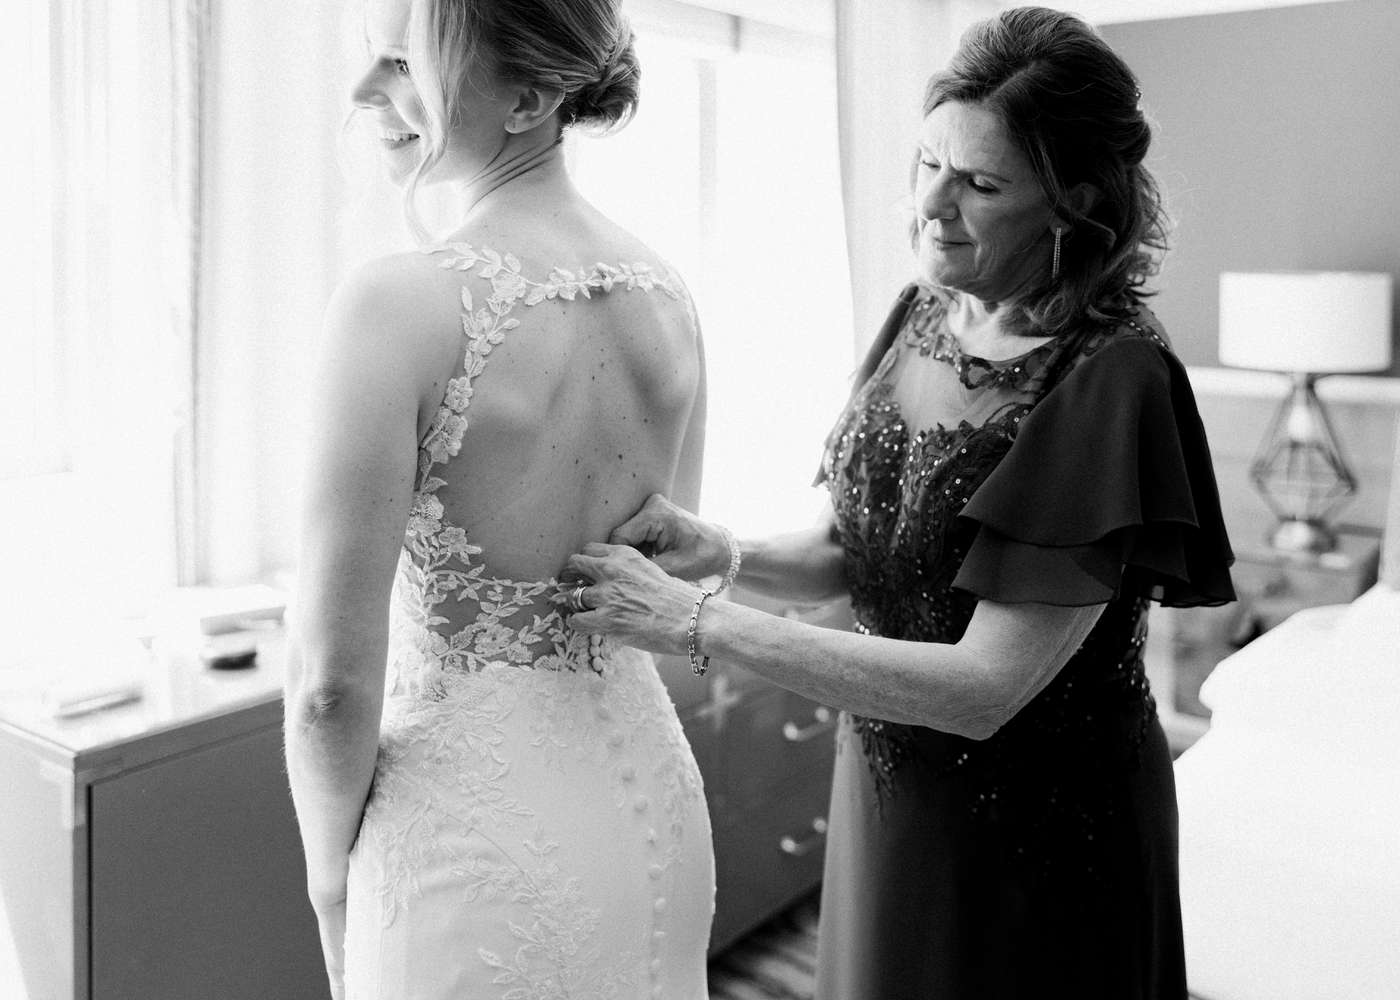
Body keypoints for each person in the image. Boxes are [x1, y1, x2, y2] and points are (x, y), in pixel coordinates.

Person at [559, 8, 1235, 998]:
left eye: (981, 184)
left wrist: (696, 624)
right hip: (890, 794)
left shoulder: (1111, 379)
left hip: (1039, 836)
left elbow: (984, 685)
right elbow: (863, 549)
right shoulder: (924, 311)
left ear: (1074, 205)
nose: (932, 207)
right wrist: (718, 549)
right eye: (927, 164)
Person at [281, 1, 714, 997]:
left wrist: (327, 881)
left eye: (399, 62)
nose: (362, 95)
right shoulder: (669, 294)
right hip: (648, 807)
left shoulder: (397, 304)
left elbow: (327, 684)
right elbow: (663, 569)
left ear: (527, 96)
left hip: (465, 844)